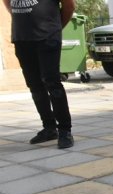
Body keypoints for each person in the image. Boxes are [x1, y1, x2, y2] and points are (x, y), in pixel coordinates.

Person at [4, 0, 75, 148]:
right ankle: (49, 128)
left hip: (47, 37)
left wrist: (55, 28)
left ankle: (64, 130)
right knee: (34, 86)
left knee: (52, 83)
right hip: (22, 38)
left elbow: (69, 6)